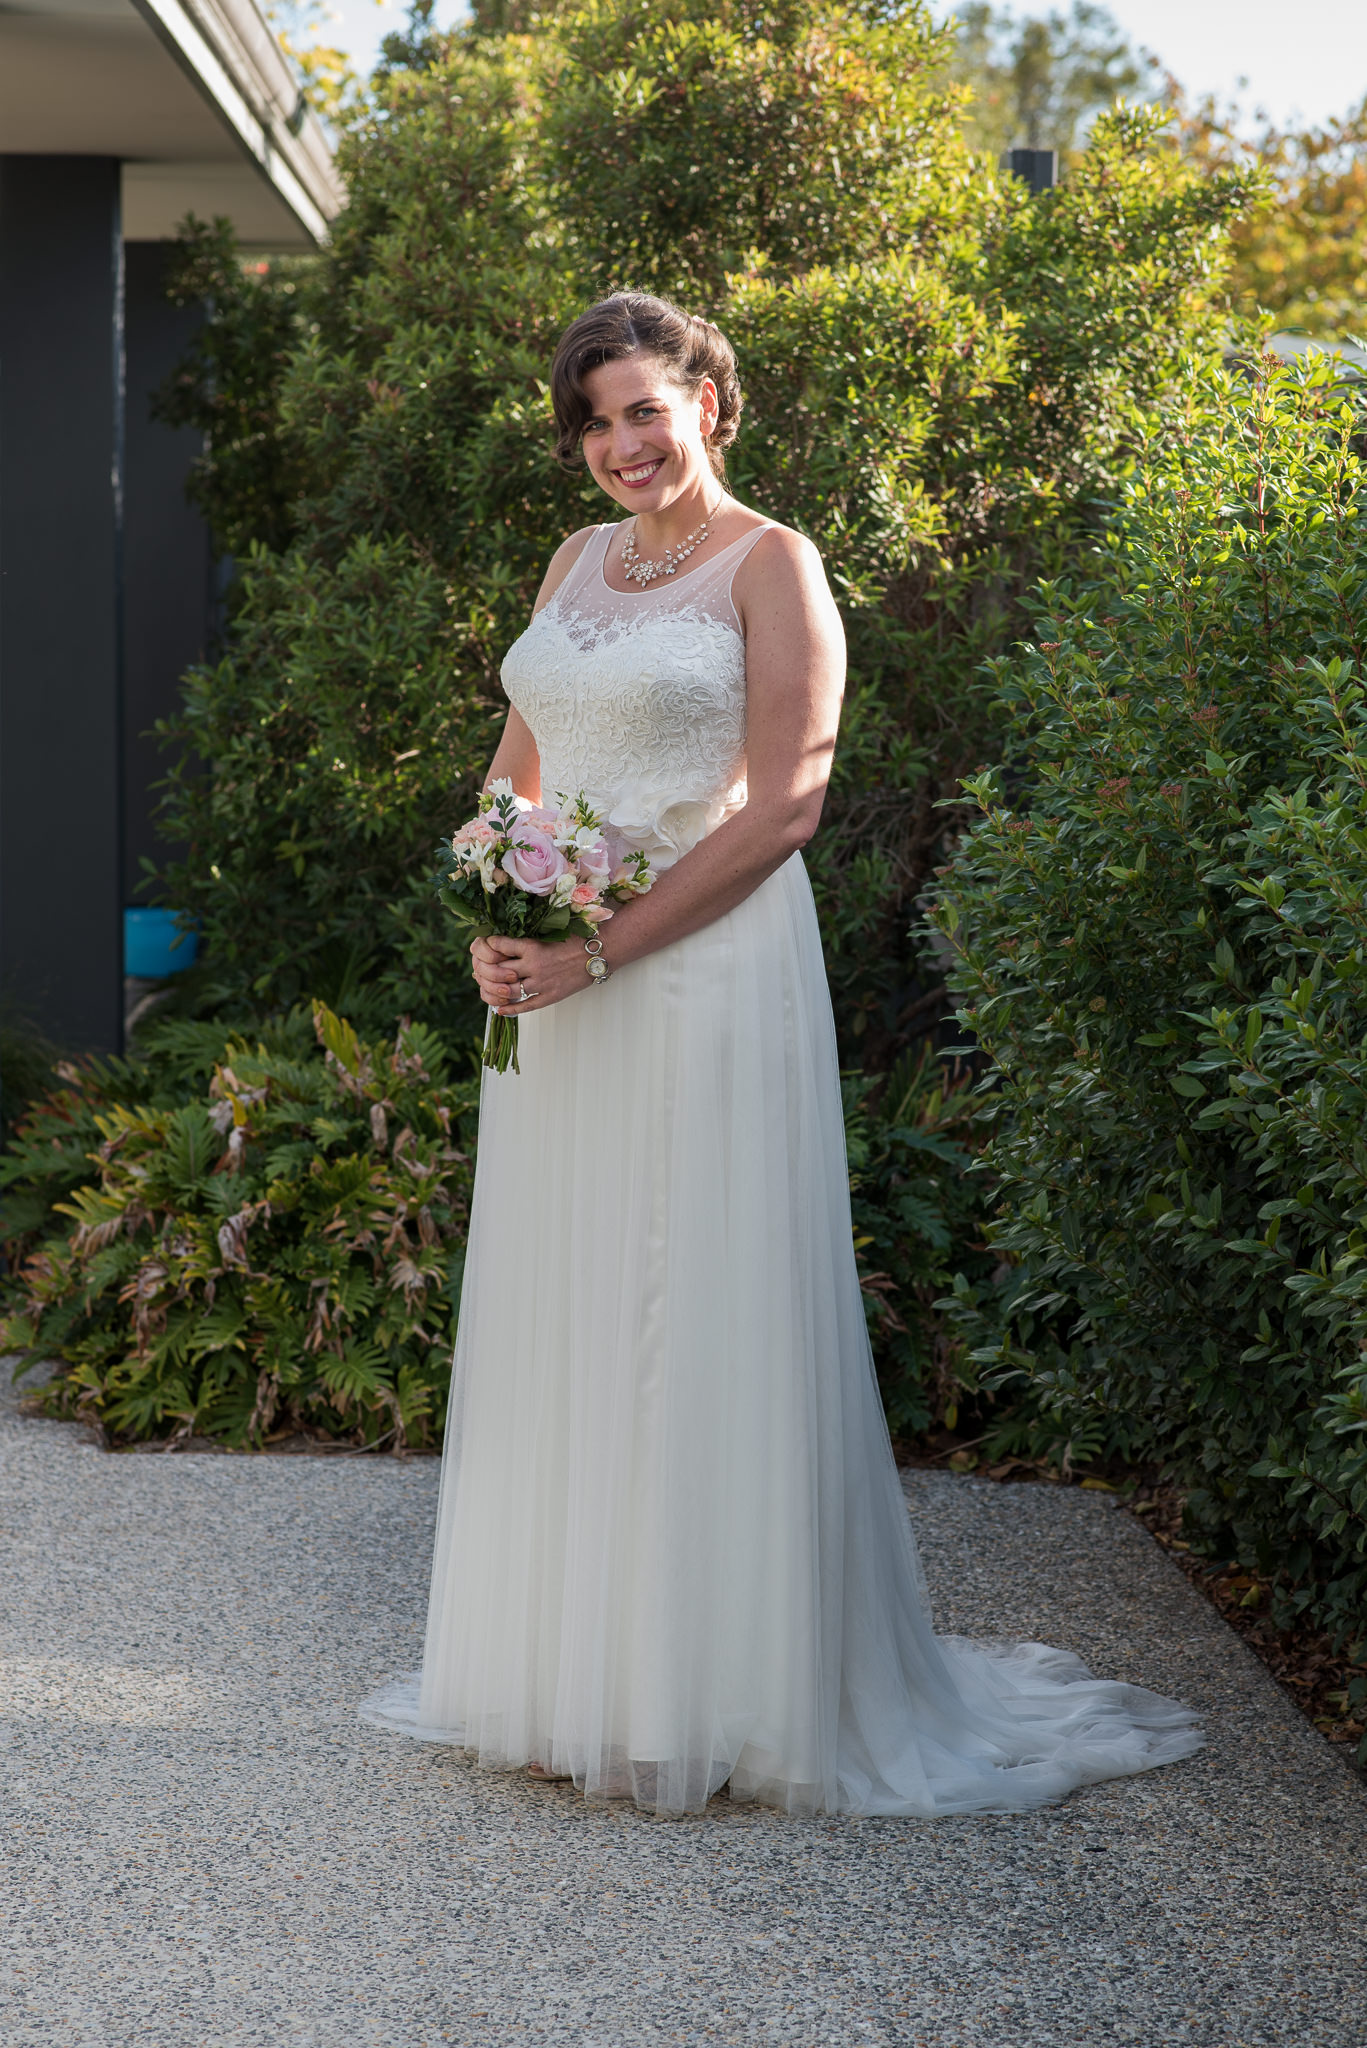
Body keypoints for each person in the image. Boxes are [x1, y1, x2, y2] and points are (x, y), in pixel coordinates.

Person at [360, 291, 1202, 1816]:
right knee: (575, 1297)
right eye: (594, 419)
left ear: (709, 404)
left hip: (695, 976)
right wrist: (497, 904)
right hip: (553, 983)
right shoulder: (574, 564)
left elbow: (786, 808)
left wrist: (600, 943)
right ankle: (574, 1677)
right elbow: (519, 768)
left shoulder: (777, 567)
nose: (619, 443)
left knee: (691, 1304)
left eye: (642, 410)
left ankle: (713, 1693)